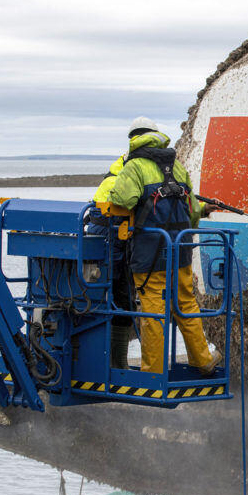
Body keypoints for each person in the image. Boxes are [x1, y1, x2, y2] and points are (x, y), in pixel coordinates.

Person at [108, 118, 221, 375]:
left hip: (149, 254)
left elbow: (124, 200)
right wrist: (204, 210)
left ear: (133, 139)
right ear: (158, 136)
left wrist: (114, 195)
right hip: (180, 250)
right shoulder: (177, 167)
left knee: (153, 312)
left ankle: (153, 372)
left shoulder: (134, 166)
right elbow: (191, 211)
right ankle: (202, 360)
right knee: (185, 303)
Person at [86, 117, 160, 368]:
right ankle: (114, 363)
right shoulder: (138, 165)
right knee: (116, 295)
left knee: (112, 296)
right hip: (111, 232)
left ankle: (113, 362)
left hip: (107, 231)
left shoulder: (127, 161)